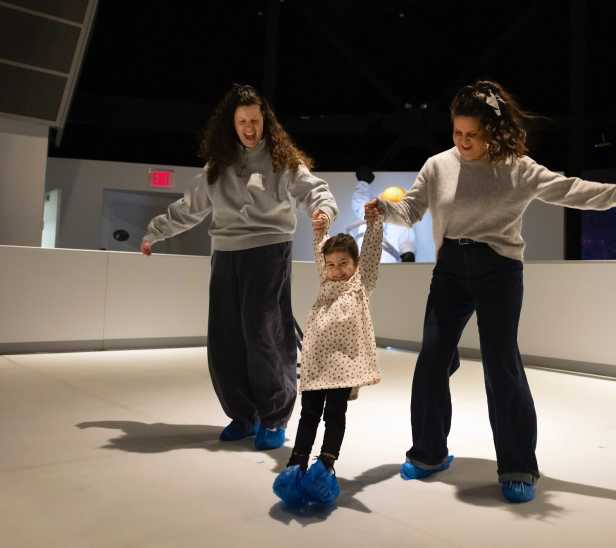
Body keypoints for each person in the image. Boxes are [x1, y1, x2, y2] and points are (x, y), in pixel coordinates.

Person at [365, 80, 616, 503]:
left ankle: (518, 465)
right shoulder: (437, 165)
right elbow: (410, 210)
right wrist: (384, 210)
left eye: (472, 135)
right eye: (457, 133)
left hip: (498, 270)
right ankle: (429, 453)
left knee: (501, 365)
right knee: (430, 360)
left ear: (492, 131)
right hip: (449, 271)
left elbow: (570, 189)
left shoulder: (518, 169)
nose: (462, 142)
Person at [141, 84, 338, 451]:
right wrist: (156, 232)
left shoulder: (283, 161)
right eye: (243, 122)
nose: (250, 129)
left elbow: (315, 189)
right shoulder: (218, 166)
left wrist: (322, 209)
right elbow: (189, 207)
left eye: (255, 121)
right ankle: (242, 414)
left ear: (266, 122)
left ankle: (274, 416)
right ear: (231, 124)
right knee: (225, 338)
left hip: (268, 250)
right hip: (226, 253)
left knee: (263, 332)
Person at [273, 203, 384, 508]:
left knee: (334, 415)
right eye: (331, 265)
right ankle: (297, 464)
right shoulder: (326, 282)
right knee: (308, 414)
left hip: (342, 368)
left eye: (344, 263)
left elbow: (372, 252)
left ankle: (326, 464)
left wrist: (374, 224)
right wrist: (319, 231)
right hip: (315, 363)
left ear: (356, 264)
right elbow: (320, 248)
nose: (337, 270)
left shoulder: (361, 283)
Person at [350, 166, 416, 262]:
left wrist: (408, 254)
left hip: (387, 268)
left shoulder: (402, 225)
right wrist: (363, 182)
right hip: (363, 265)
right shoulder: (370, 214)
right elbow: (359, 201)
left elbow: (407, 245)